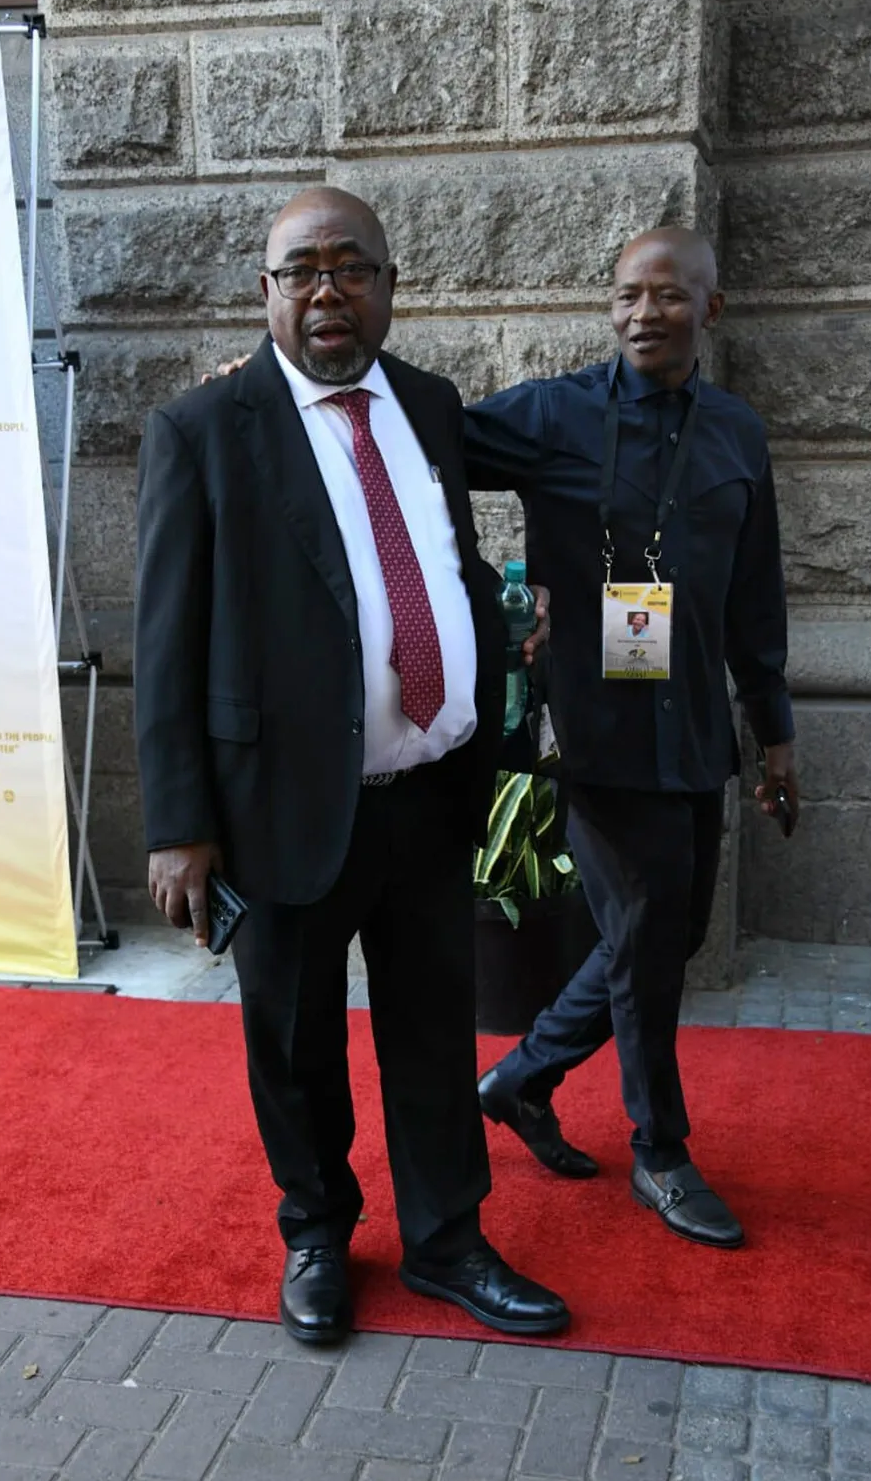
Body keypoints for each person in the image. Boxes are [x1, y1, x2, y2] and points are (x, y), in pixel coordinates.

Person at [134, 186, 569, 1346]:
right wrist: (177, 824)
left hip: (428, 793)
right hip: (276, 806)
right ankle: (318, 1233)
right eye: (301, 270)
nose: (326, 290)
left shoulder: (426, 405)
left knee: (432, 1028)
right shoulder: (203, 428)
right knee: (294, 1039)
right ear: (266, 292)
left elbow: (434, 559)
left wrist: (493, 634)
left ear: (388, 285)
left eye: (350, 267)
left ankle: (448, 1242)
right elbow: (166, 639)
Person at [464, 226, 798, 1250]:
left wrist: (774, 736)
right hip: (601, 732)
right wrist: (480, 599)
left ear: (710, 308)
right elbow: (422, 445)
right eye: (626, 296)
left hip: (693, 728)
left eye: (667, 295)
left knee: (669, 932)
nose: (644, 313)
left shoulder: (737, 434)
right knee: (648, 940)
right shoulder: (552, 415)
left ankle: (521, 1079)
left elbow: (755, 598)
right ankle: (660, 1151)